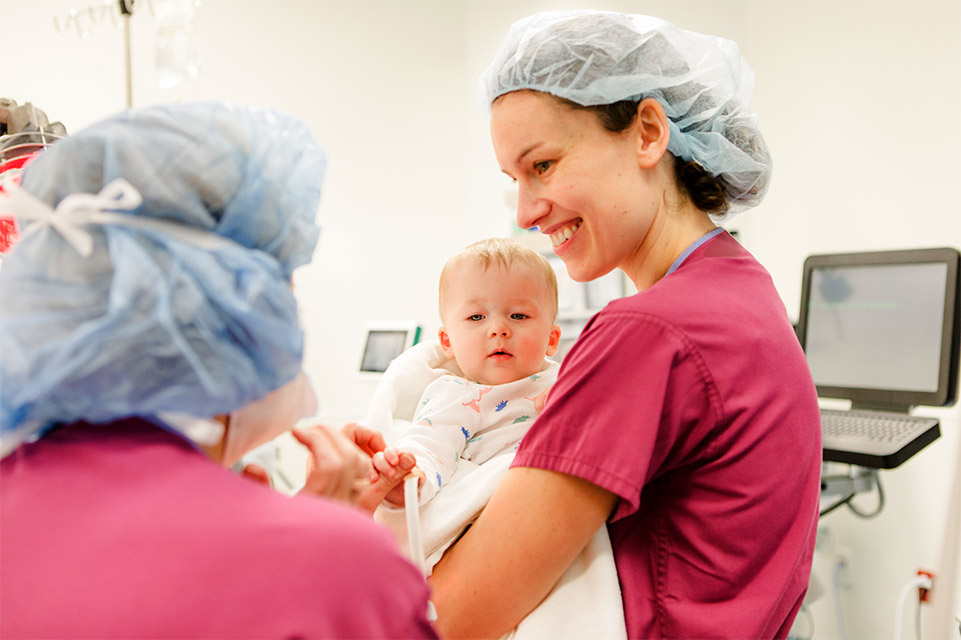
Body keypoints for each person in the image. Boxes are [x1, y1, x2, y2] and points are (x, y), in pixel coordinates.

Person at [421, 11, 822, 639]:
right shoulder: (742, 288)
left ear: (647, 133)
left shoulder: (649, 332)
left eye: (544, 165)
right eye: (514, 180)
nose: (526, 213)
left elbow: (459, 617)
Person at [0, 103, 437, 639]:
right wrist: (312, 547)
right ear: (238, 309)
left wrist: (293, 526)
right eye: (284, 283)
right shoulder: (338, 571)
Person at [370, 237, 561, 507]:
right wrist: (411, 477)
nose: (498, 329)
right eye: (476, 317)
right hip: (500, 510)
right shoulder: (457, 394)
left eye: (518, 316)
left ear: (551, 339)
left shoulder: (568, 382)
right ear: (448, 342)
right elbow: (430, 442)